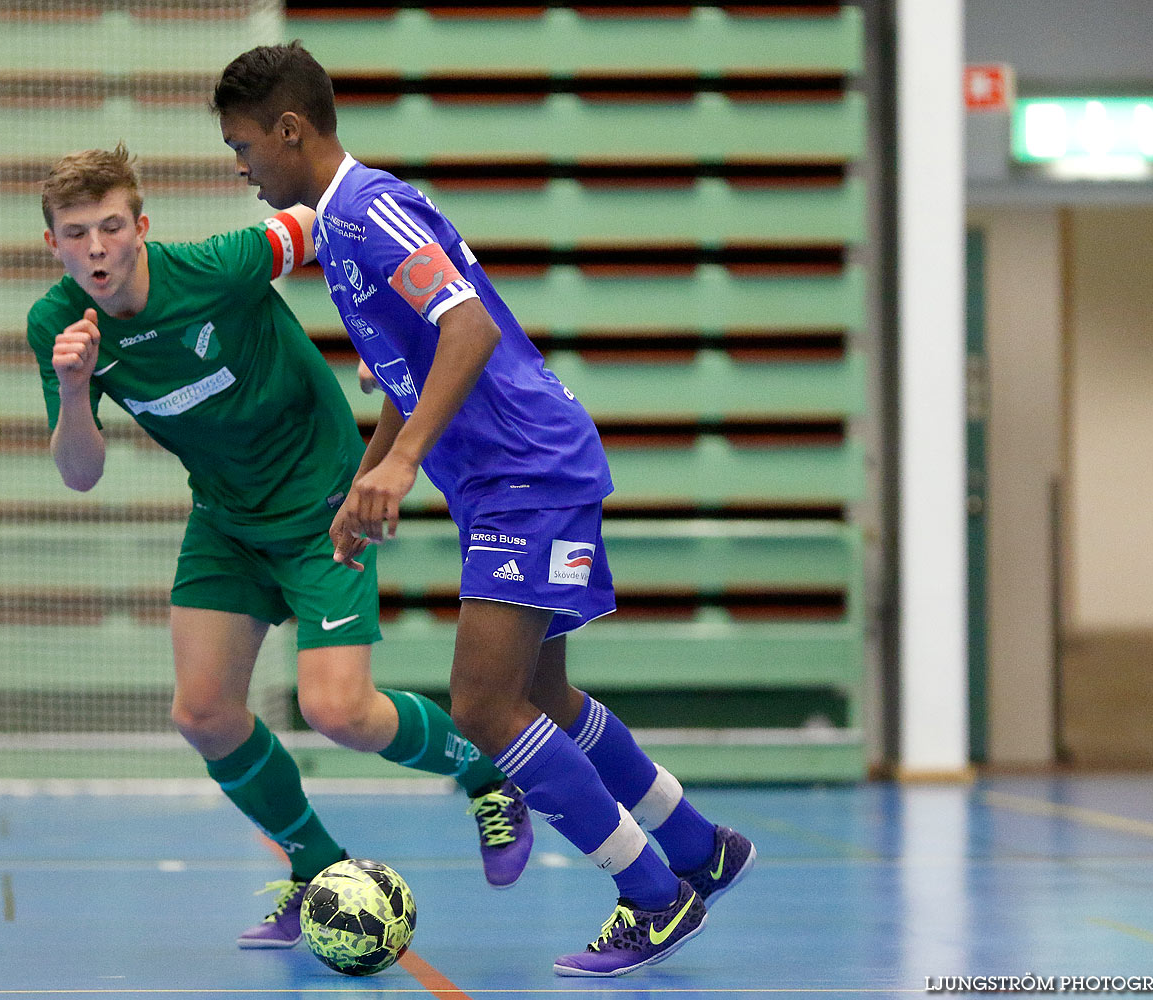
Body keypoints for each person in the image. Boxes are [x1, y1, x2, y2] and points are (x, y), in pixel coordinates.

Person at [212, 42, 758, 979]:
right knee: (541, 696)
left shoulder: (371, 211)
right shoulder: (345, 228)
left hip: (525, 474)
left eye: (244, 145)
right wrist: (371, 473)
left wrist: (409, 461)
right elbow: (410, 361)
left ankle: (656, 898)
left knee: (483, 705)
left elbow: (467, 327)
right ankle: (700, 846)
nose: (241, 166)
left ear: (291, 130)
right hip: (515, 476)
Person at [25, 143, 533, 949]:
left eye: (111, 227)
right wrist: (79, 388)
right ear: (53, 243)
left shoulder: (224, 264)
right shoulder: (58, 326)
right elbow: (80, 473)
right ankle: (314, 866)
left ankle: (486, 775)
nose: (96, 248)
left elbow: (332, 218)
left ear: (140, 227)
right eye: (77, 232)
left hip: (322, 501)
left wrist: (390, 338)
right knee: (203, 713)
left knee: (339, 711)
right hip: (226, 518)